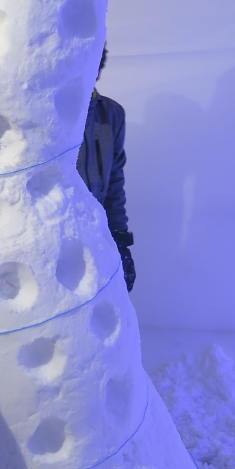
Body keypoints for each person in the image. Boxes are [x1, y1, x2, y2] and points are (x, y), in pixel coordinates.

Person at [76, 44, 136, 291]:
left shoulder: (110, 114)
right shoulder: (49, 113)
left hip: (95, 232)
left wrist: (119, 237)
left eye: (94, 63)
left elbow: (114, 182)